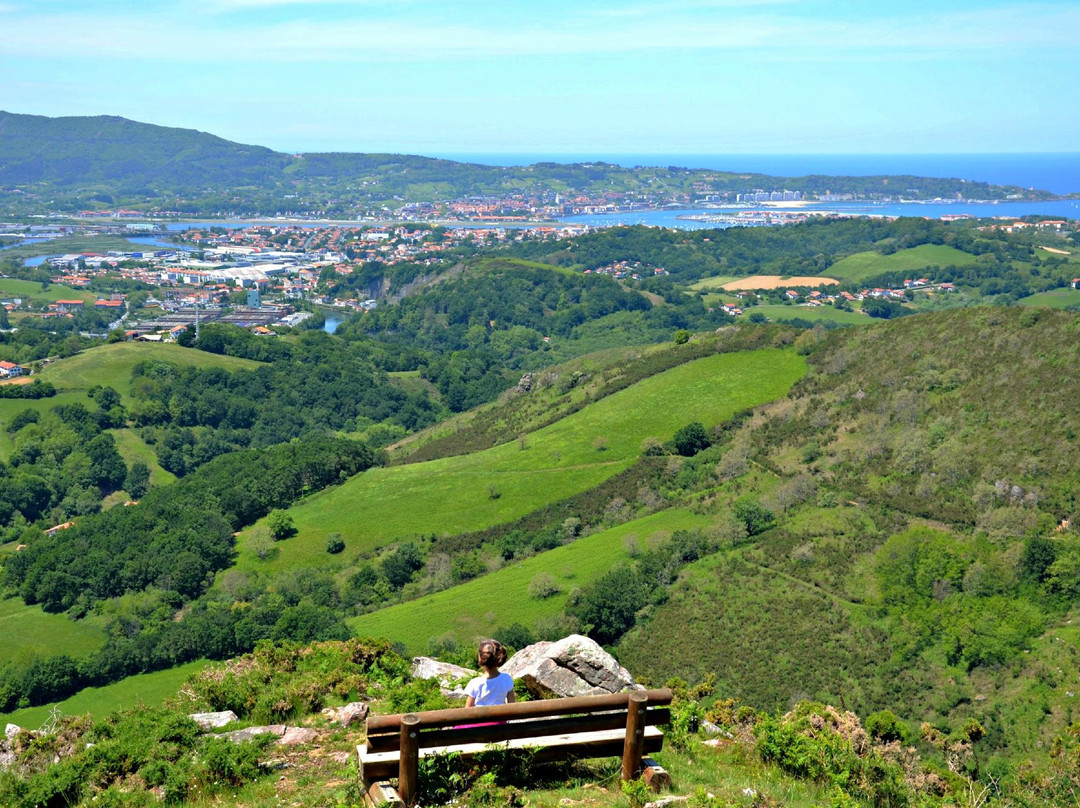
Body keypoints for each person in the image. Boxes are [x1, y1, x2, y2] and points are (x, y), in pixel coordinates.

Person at [464, 639, 515, 708]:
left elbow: (467, 709)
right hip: (501, 718)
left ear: (481, 658)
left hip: (481, 718)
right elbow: (512, 706)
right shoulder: (506, 679)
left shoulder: (475, 683)